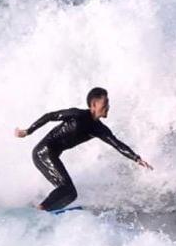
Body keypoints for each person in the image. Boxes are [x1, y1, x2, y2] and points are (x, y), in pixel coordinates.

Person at [14, 87, 153, 211]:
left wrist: (136, 158)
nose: (108, 107)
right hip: (42, 152)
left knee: (71, 194)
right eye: (105, 103)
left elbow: (117, 144)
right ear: (93, 104)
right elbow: (50, 116)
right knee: (66, 188)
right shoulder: (77, 115)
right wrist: (28, 131)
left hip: (52, 155)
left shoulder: (99, 129)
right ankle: (41, 209)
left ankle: (47, 210)